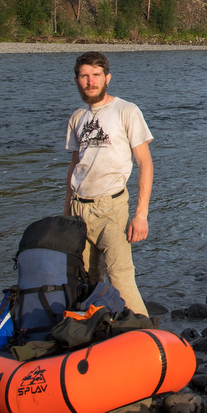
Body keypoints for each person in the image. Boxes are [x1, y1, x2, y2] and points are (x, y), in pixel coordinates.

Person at [64, 51, 153, 316]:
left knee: (121, 278)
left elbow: (145, 164)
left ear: (107, 78)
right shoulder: (77, 118)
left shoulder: (126, 111)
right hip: (79, 210)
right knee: (84, 281)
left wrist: (141, 216)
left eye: (96, 75)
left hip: (112, 209)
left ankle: (147, 338)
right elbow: (74, 167)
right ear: (77, 80)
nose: (90, 81)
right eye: (84, 76)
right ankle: (97, 334)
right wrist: (67, 212)